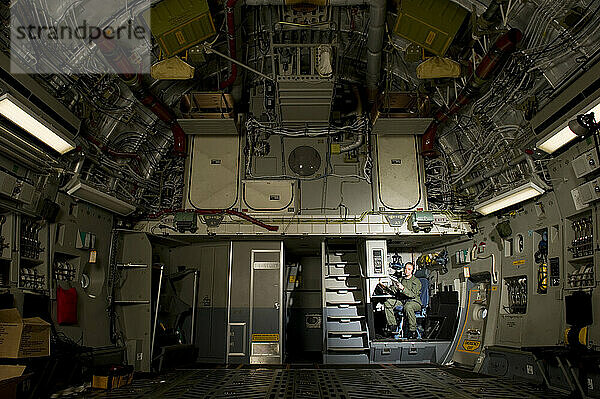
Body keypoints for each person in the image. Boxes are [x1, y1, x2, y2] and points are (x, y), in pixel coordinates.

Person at [379, 262, 421, 339]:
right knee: (387, 302)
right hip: (402, 301)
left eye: (409, 269)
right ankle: (392, 325)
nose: (406, 271)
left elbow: (412, 295)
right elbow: (394, 291)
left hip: (414, 302)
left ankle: (413, 331)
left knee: (408, 307)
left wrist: (403, 288)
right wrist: (384, 287)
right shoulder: (400, 279)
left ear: (412, 271)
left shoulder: (416, 281)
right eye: (405, 268)